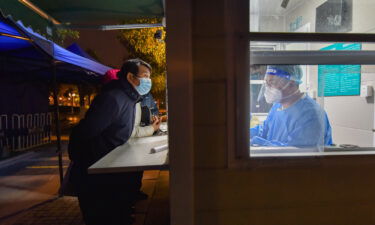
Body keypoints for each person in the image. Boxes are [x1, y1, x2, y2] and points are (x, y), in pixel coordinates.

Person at [68, 58, 153, 225]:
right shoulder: (113, 98)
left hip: (110, 174)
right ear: (130, 77)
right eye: (145, 76)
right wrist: (85, 166)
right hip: (96, 179)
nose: (149, 81)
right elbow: (84, 133)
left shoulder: (129, 99)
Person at [250, 65, 333, 147]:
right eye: (267, 83)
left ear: (291, 83)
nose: (267, 88)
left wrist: (262, 143)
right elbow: (264, 130)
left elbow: (296, 154)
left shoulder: (311, 114)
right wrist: (244, 134)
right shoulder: (277, 106)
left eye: (272, 82)